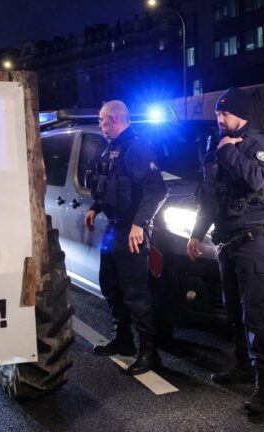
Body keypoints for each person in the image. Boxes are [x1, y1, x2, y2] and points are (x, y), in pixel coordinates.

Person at [186, 87, 264, 415]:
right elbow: (211, 197)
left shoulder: (258, 145)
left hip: (255, 242)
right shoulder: (219, 145)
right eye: (217, 114)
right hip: (227, 243)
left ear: (241, 114)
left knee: (256, 314)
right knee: (234, 311)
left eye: (225, 114)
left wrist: (227, 151)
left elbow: (256, 179)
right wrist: (197, 234)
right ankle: (241, 366)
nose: (220, 119)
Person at [85, 100, 168, 375]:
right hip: (114, 228)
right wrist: (95, 208)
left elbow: (156, 191)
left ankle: (149, 353)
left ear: (114, 119)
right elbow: (106, 185)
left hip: (132, 232)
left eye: (101, 120)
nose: (100, 125)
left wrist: (139, 225)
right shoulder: (113, 149)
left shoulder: (138, 148)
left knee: (136, 293)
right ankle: (123, 341)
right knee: (110, 285)